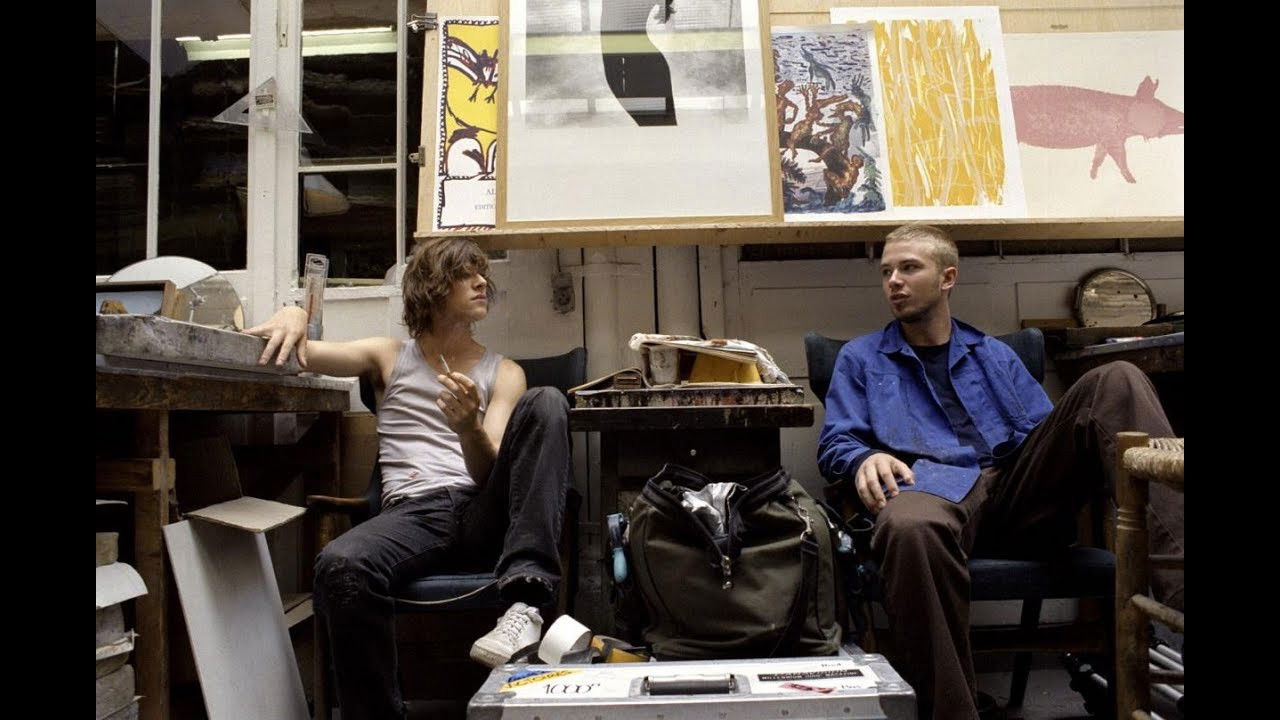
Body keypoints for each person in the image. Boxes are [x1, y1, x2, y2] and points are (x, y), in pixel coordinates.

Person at [816, 224, 1183, 720]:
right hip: (931, 490)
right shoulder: (861, 358)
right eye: (886, 272)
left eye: (909, 268)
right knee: (908, 525)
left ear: (947, 278)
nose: (894, 281)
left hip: (1017, 494)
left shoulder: (992, 354)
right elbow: (836, 441)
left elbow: (1048, 435)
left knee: (1118, 378)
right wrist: (863, 458)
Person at [246, 237, 572, 720]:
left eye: (483, 273)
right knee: (339, 565)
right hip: (415, 516)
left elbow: (490, 472)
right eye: (466, 274)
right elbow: (300, 353)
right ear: (434, 287)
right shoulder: (388, 356)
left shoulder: (504, 372)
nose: (483, 282)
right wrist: (294, 314)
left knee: (546, 401)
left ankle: (525, 601)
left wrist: (467, 428)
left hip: (482, 509)